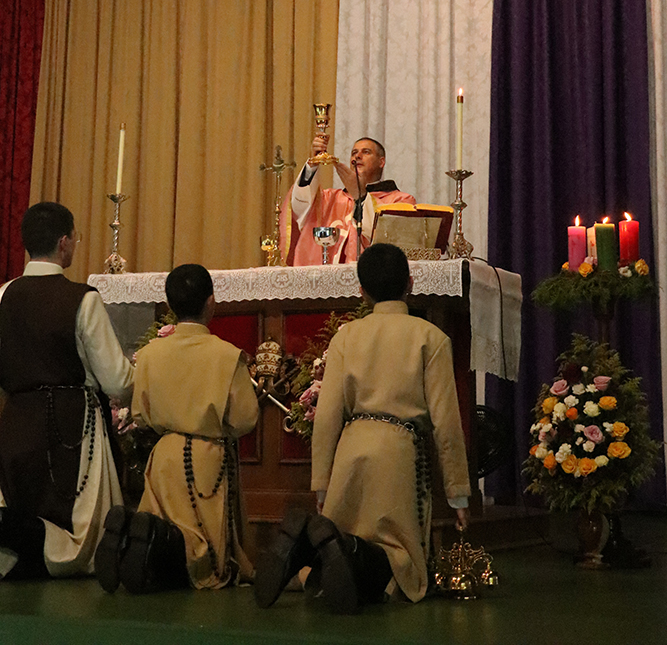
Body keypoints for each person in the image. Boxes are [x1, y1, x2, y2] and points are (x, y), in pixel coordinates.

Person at [255, 243, 470, 613]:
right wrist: (458, 493)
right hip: (399, 453)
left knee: (340, 534)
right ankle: (349, 555)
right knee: (400, 562)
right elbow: (446, 421)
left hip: (351, 451)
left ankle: (307, 552)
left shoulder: (346, 336)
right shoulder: (431, 338)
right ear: (410, 282)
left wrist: (322, 483)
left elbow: (327, 415)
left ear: (362, 291)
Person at [95, 263, 258, 593]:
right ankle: (154, 551)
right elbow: (245, 418)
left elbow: (140, 413)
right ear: (211, 302)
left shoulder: (150, 354)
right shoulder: (227, 356)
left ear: (169, 305)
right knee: (206, 555)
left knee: (163, 520)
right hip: (207, 462)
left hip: (165, 457)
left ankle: (135, 542)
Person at [0, 201, 134, 580]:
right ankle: (49, 548)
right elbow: (117, 381)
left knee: (18, 502)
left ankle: (19, 542)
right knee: (81, 535)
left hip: (16, 423)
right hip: (72, 427)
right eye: (75, 237)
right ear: (64, 243)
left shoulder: (2, 296)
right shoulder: (82, 298)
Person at [280, 135, 415, 265]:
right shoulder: (330, 199)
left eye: (366, 152)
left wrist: (361, 197)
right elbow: (299, 206)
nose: (357, 156)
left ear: (381, 162)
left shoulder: (400, 201)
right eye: (354, 153)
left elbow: (390, 243)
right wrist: (312, 165)